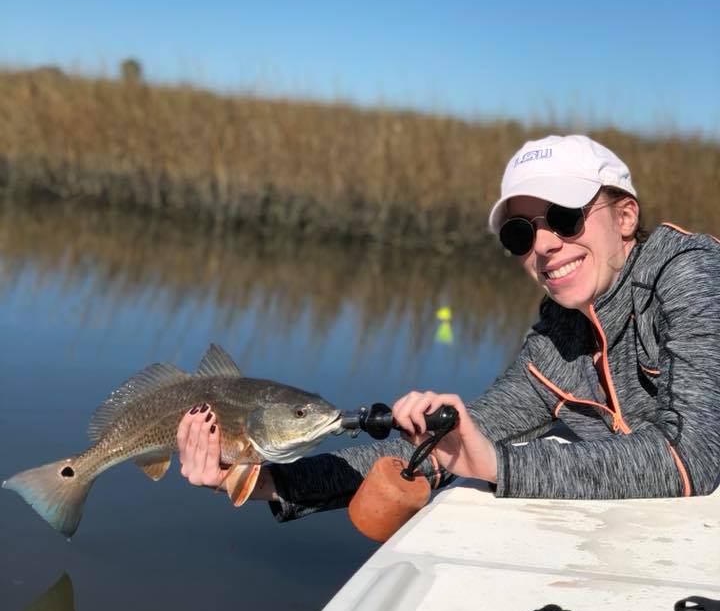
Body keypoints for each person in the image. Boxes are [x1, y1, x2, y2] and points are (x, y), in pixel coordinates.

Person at [176, 134, 720, 517]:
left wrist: (496, 464)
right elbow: (452, 444)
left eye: (565, 216)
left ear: (625, 217)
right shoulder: (558, 336)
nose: (546, 244)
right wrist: (269, 481)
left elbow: (692, 456)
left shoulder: (689, 273)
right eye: (520, 234)